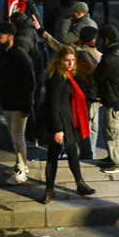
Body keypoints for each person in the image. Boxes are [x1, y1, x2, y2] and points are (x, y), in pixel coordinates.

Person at [41, 46, 96, 204]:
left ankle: (80, 184)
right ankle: (48, 191)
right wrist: (58, 130)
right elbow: (52, 104)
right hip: (58, 122)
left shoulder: (67, 75)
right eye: (67, 60)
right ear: (60, 61)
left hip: (66, 120)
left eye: (72, 60)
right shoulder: (58, 77)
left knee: (72, 153)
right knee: (53, 156)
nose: (70, 63)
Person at [0, 22, 35, 185]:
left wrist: (26, 107)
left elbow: (29, 84)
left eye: (0, 36)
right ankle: (19, 163)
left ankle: (22, 168)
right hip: (7, 102)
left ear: (10, 37)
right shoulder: (3, 54)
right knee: (13, 135)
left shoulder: (20, 56)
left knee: (18, 136)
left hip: (17, 103)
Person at [93, 25, 119, 174]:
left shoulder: (109, 57)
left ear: (106, 39)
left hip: (115, 99)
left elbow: (98, 76)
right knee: (112, 130)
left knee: (113, 131)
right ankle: (113, 157)